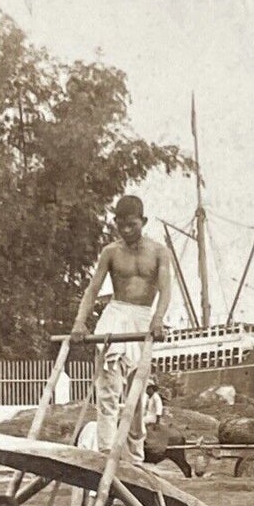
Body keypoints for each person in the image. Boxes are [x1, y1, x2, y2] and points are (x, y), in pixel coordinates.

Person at [70, 196, 172, 464]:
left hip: (142, 318)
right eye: (121, 225)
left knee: (136, 394)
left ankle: (135, 456)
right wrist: (80, 322)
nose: (126, 230)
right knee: (108, 387)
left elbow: (165, 290)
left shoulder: (159, 252)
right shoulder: (111, 252)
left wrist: (158, 319)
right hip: (115, 316)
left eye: (132, 225)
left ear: (143, 222)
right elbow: (93, 289)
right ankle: (106, 450)